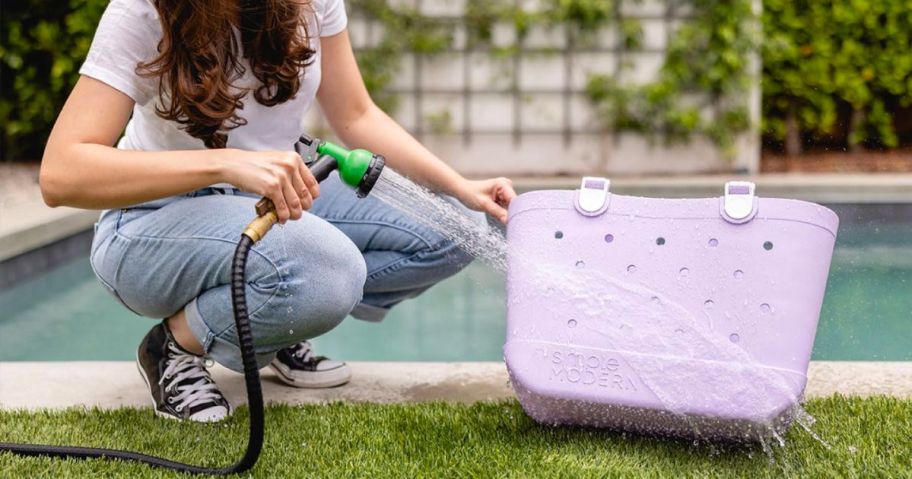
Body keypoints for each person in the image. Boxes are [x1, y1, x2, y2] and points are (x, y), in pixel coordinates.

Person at [39, 0, 516, 422]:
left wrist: (459, 187)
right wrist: (225, 164)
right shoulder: (144, 11)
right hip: (151, 222)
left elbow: (355, 115)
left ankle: (277, 318)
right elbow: (61, 174)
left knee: (453, 230)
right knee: (329, 271)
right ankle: (175, 347)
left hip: (271, 201)